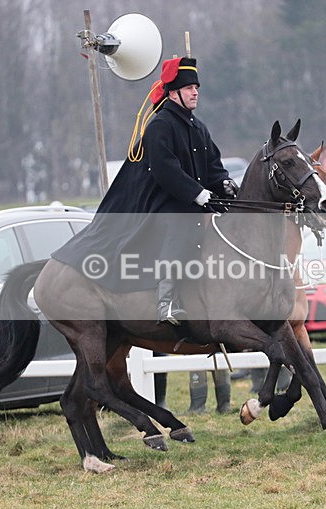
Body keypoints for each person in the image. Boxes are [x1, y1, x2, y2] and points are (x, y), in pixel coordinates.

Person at [51, 56, 238, 325]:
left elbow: (213, 166)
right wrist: (196, 192)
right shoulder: (160, 126)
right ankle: (166, 301)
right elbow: (165, 170)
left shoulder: (199, 127)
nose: (195, 92)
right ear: (173, 93)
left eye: (196, 87)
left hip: (194, 200)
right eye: (189, 88)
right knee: (180, 224)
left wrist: (224, 183)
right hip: (164, 201)